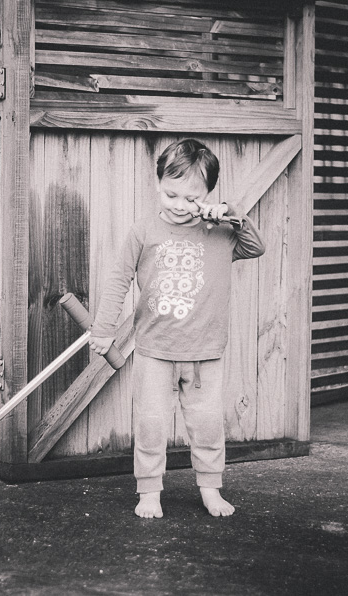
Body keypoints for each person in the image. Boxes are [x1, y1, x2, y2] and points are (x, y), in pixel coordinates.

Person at [88, 139, 266, 518]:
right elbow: (119, 280)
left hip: (205, 352)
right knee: (151, 425)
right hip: (155, 348)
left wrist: (230, 214)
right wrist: (103, 330)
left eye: (192, 198)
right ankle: (149, 492)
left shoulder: (219, 233)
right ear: (158, 184)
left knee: (206, 426)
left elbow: (255, 246)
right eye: (172, 194)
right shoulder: (143, 231)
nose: (181, 205)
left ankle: (210, 489)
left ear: (207, 196)